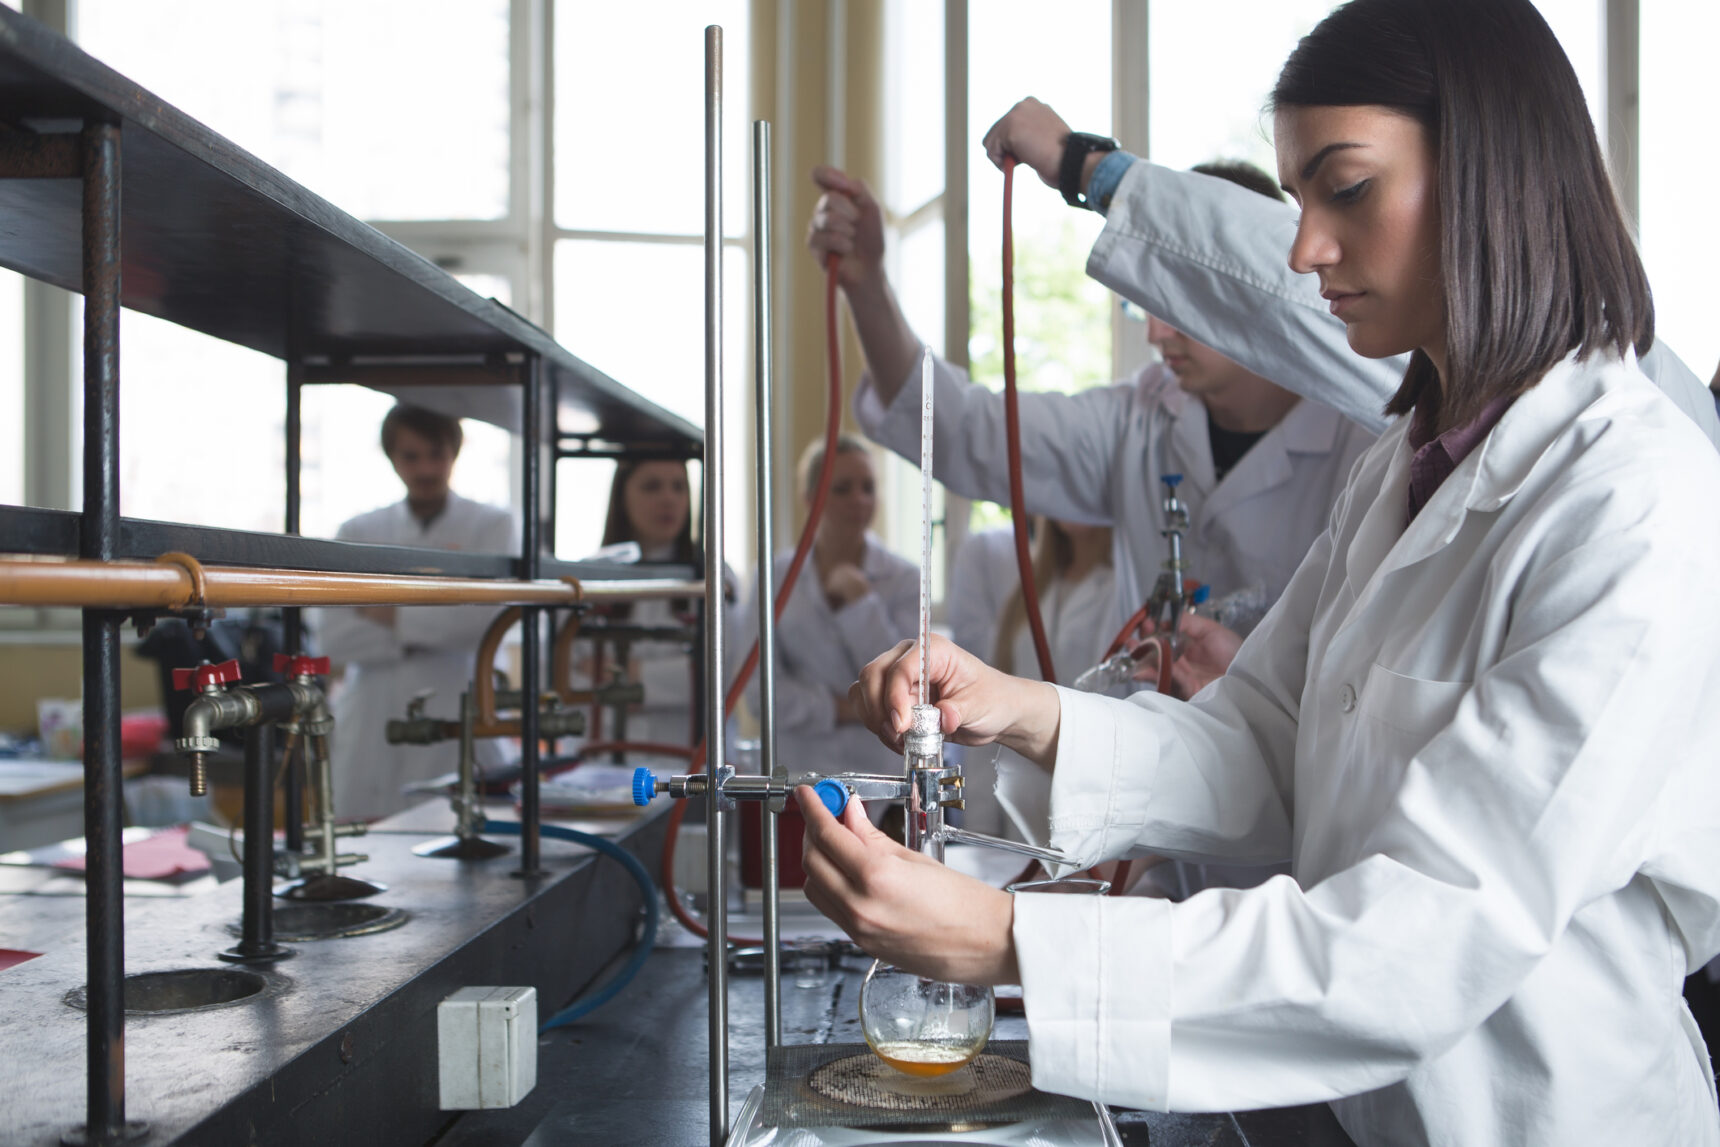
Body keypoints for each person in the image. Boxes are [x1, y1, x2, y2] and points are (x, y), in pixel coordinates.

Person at [799, 2, 1720, 1143]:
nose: (1303, 252)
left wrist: (1004, 941)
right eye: (1295, 203)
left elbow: (1431, 936)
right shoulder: (1406, 466)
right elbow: (1265, 741)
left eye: (1345, 190)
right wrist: (1020, 711)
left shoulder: (1634, 500)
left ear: (1492, 172)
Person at [808, 159, 1377, 698]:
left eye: (1180, 299)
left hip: (1294, 787)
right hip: (1155, 772)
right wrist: (868, 288)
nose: (1155, 334)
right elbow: (965, 429)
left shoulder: (1366, 436)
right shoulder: (1138, 419)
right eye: (1149, 302)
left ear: (1254, 285)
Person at [314, 405, 517, 821]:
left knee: (464, 834)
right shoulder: (358, 532)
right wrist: (443, 610)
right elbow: (334, 637)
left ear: (455, 454)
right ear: (392, 458)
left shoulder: (492, 525)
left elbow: (487, 623)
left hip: (458, 701)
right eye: (411, 456)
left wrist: (387, 613)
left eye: (436, 454)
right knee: (366, 844)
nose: (426, 468)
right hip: (374, 711)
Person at [737, 435, 918, 780]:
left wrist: (861, 603)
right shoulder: (774, 577)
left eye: (868, 487)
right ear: (811, 498)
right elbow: (759, 691)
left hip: (882, 774)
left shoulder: (905, 579)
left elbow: (903, 683)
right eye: (842, 488)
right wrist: (845, 709)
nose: (859, 500)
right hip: (797, 771)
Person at [575, 459, 702, 748]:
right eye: (652, 486)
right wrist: (658, 679)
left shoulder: (713, 574)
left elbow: (712, 678)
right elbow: (559, 674)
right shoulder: (587, 575)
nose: (668, 498)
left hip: (687, 761)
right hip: (602, 757)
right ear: (621, 497)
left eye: (679, 487)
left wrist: (625, 677)